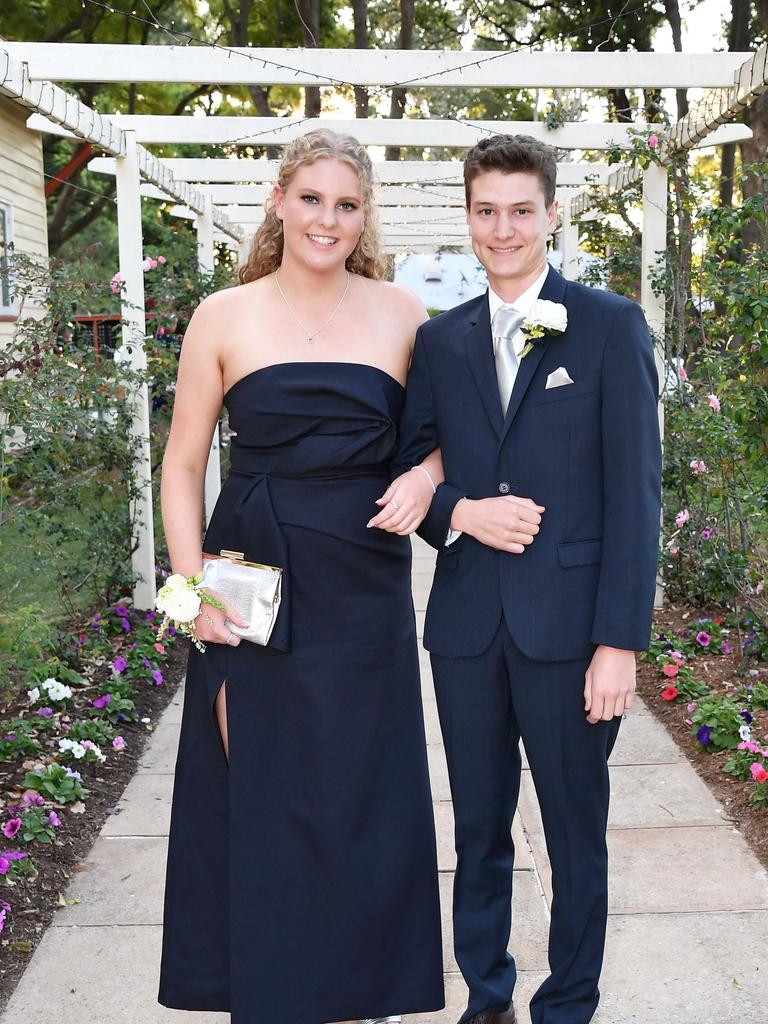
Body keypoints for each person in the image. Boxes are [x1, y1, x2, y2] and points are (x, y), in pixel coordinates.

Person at [158, 128, 445, 1024]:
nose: (328, 218)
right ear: (280, 203)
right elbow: (180, 465)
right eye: (312, 198)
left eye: (347, 204)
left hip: (363, 576)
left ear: (365, 219)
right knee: (266, 787)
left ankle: (365, 992)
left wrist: (426, 476)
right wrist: (186, 588)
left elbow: (442, 439)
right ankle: (277, 992)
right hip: (252, 572)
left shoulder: (403, 313)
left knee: (362, 790)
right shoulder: (223, 315)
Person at [385, 134, 662, 1024]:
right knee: (477, 831)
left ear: (550, 214)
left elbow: (636, 496)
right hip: (466, 630)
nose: (502, 229)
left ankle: (569, 1003)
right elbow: (410, 472)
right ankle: (487, 997)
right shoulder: (438, 341)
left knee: (577, 836)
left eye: (520, 210)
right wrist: (459, 511)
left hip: (572, 632)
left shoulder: (610, 325)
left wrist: (619, 642)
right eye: (485, 211)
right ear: (467, 218)